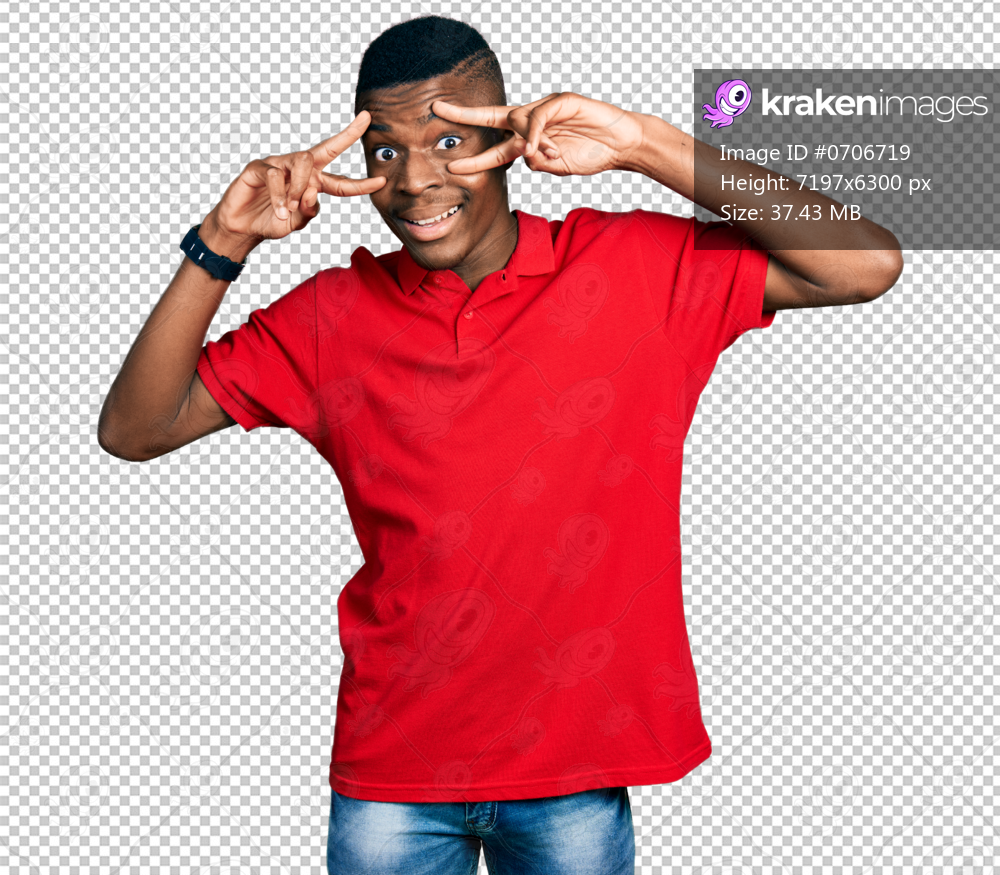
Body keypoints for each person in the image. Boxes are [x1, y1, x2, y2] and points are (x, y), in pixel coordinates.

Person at [97, 14, 903, 875]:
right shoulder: (332, 315)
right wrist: (222, 244)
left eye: (450, 139)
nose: (417, 179)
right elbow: (135, 428)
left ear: (509, 138)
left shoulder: (630, 266)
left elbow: (864, 265)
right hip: (392, 773)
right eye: (387, 151)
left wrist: (644, 143)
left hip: (573, 770)